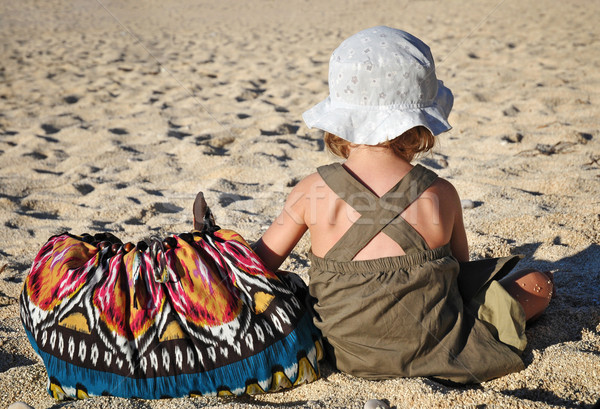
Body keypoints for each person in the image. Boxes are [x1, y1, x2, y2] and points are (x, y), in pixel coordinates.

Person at [253, 26, 554, 383]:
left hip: (344, 353)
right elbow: (458, 275)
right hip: (439, 348)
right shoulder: (441, 193)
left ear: (340, 119)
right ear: (420, 124)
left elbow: (257, 266)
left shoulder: (311, 191)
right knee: (539, 282)